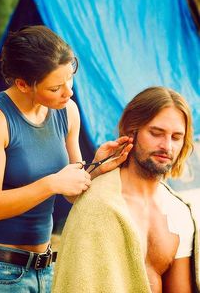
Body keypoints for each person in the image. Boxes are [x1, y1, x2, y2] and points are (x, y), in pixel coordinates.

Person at [0, 25, 133, 293]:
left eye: (70, 78)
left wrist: (96, 169)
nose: (69, 92)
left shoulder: (67, 112)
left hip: (45, 269)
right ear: (22, 84)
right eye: (56, 88)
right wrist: (52, 183)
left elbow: (73, 194)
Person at [52, 86, 200, 293]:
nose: (167, 146)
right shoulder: (97, 204)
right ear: (132, 131)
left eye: (176, 138)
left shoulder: (179, 213)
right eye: (156, 133)